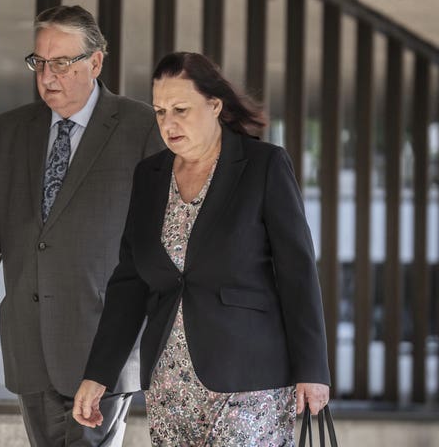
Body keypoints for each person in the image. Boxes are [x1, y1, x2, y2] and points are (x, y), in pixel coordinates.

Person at [0, 5, 163, 447]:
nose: (48, 76)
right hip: (31, 343)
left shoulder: (142, 127)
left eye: (62, 63)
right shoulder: (10, 132)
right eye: (40, 62)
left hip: (105, 343)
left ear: (95, 61)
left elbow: (163, 237)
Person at [73, 52, 331, 446]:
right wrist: (98, 374)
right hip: (169, 383)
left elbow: (298, 273)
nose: (168, 123)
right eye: (160, 112)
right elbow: (129, 284)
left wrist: (313, 369)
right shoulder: (149, 176)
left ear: (214, 105)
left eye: (180, 109)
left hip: (250, 379)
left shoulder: (264, 165)